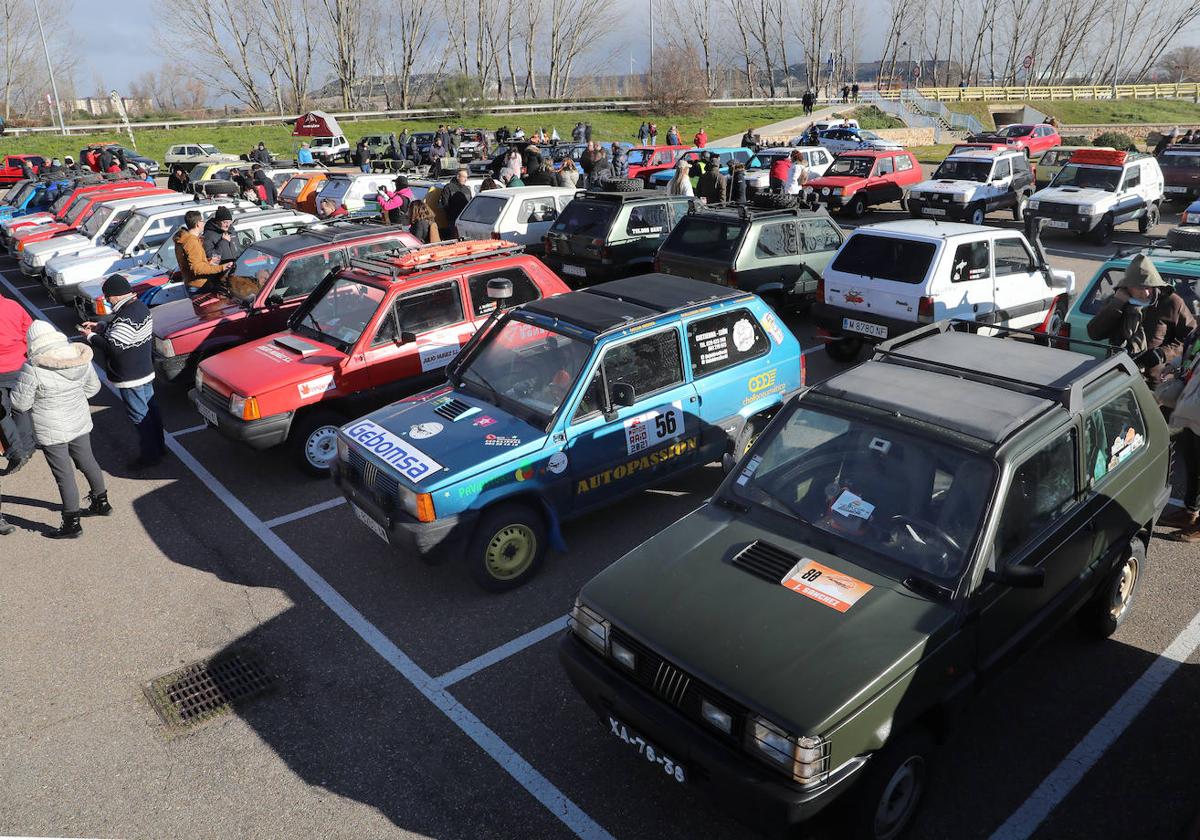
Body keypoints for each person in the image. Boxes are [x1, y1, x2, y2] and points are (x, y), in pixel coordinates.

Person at [10, 321, 106, 538]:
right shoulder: (77, 356)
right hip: (79, 420)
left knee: (64, 475)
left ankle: (72, 524)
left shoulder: (33, 368)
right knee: (88, 461)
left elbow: (20, 404)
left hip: (51, 428)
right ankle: (102, 503)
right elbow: (93, 388)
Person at [80, 274, 166, 472]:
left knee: (139, 415)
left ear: (117, 296)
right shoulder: (139, 308)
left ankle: (150, 456)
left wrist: (91, 337)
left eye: (108, 297)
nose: (108, 301)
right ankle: (159, 448)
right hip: (144, 370)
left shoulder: (126, 315)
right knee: (151, 410)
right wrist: (101, 327)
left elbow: (115, 346)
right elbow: (123, 335)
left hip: (130, 376)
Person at [1086, 254, 1195, 375]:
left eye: (1149, 286)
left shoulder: (1171, 302)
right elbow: (1094, 333)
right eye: (1140, 287)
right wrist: (1116, 304)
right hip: (1120, 374)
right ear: (1128, 287)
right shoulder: (1116, 301)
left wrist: (1164, 353)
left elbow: (1191, 337)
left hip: (1156, 379)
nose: (1146, 292)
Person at [0, 292, 34, 479]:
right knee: (21, 406)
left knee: (2, 413)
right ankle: (27, 447)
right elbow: (28, 331)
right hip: (19, 364)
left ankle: (16, 451)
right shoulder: (13, 306)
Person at [175, 210, 230, 294]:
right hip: (199, 286)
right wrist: (222, 267)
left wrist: (208, 261)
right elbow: (197, 268)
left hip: (194, 284)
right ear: (198, 224)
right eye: (202, 221)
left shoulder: (187, 239)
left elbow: (193, 263)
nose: (204, 223)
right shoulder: (191, 242)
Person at [439, 169, 473, 233]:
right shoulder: (448, 187)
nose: (466, 179)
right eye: (464, 177)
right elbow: (445, 204)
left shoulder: (467, 189)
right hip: (453, 220)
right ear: (458, 177)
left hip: (464, 220)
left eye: (466, 177)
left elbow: (470, 204)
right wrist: (451, 214)